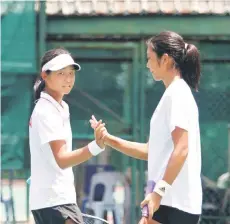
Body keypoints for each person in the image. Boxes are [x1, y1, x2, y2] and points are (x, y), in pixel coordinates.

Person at [90, 31, 202, 224]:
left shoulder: (177, 94)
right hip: (165, 203)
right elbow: (150, 151)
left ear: (165, 59)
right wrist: (108, 139)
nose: (147, 65)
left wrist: (158, 192)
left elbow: (182, 148)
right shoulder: (172, 95)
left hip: (174, 204)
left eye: (150, 58)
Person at [29, 48, 106, 224]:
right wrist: (95, 146)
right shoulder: (46, 111)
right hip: (55, 202)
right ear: (45, 75)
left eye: (71, 73)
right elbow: (62, 159)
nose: (68, 78)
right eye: (61, 73)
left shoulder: (61, 107)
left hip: (54, 201)